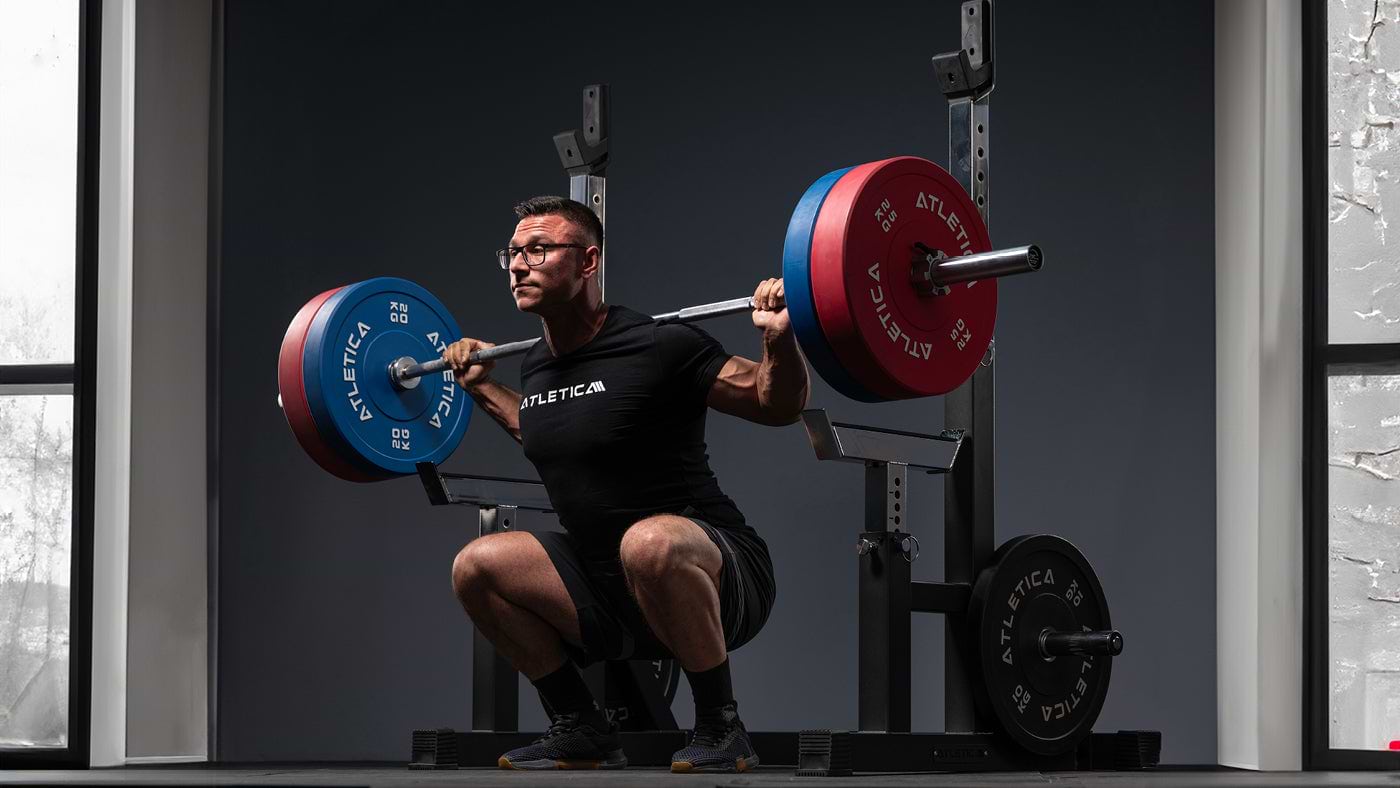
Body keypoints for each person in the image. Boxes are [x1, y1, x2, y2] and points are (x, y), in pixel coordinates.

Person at [444, 195, 808, 773]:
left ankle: (721, 726)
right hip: (609, 585)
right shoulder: (535, 364)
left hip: (718, 572)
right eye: (512, 253)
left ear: (588, 262)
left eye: (538, 249)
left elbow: (774, 403)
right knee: (477, 567)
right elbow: (551, 432)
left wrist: (777, 339)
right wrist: (482, 386)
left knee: (649, 542)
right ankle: (580, 725)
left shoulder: (659, 344)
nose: (518, 265)